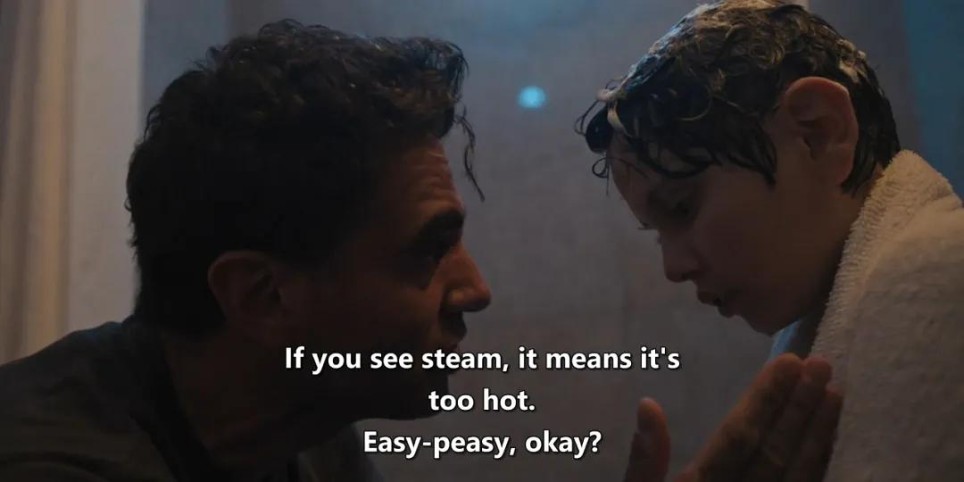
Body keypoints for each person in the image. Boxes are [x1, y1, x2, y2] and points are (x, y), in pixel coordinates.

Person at [1, 20, 838, 481]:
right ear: (262, 297)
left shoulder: (309, 433)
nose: (475, 289)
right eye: (425, 252)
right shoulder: (49, 462)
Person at [580, 0, 964, 480]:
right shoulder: (834, 325)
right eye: (658, 235)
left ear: (817, 133)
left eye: (681, 207)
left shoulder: (944, 274)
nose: (672, 269)